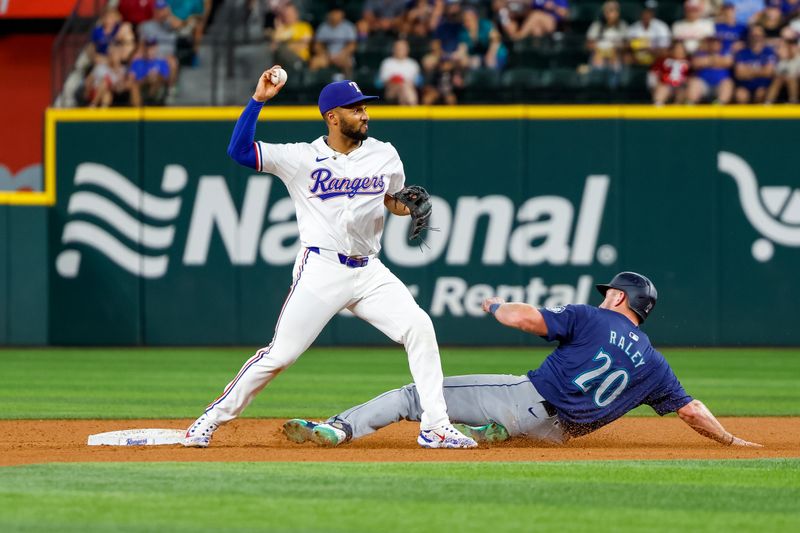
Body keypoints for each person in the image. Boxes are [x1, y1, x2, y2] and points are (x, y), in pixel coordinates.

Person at [183, 67, 478, 450]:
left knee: (419, 327)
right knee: (280, 355)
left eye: (365, 108)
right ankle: (210, 419)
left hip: (370, 271)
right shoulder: (301, 158)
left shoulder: (384, 153)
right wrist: (258, 101)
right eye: (356, 109)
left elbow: (393, 200)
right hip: (322, 269)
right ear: (333, 117)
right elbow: (239, 152)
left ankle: (435, 426)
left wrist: (408, 206)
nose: (365, 114)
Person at [282, 272, 762, 449]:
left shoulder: (592, 316)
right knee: (513, 425)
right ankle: (488, 436)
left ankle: (338, 429)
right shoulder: (656, 365)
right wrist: (731, 439)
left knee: (414, 396)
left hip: (526, 399)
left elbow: (527, 319)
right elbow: (691, 411)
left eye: (609, 292)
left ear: (619, 297)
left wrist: (493, 306)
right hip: (556, 436)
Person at [734, 24, 778, 102]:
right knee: (741, 95)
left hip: (763, 85)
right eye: (753, 35)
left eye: (758, 35)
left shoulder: (769, 52)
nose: (756, 38)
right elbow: (739, 73)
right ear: (749, 36)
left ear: (763, 36)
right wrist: (760, 70)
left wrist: (748, 70)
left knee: (760, 93)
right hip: (745, 85)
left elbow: (768, 72)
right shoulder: (742, 52)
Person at [309, 8, 358, 76]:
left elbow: (352, 45)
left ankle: (348, 85)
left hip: (343, 56)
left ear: (342, 14)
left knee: (348, 62)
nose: (335, 15)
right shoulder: (323, 27)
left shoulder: (348, 26)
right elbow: (317, 46)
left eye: (337, 12)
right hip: (327, 56)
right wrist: (326, 54)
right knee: (315, 61)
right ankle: (313, 85)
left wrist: (342, 54)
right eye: (333, 12)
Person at [687, 35, 735, 103]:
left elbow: (729, 62)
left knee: (728, 83)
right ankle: (690, 107)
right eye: (712, 43)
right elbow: (695, 63)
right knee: (694, 82)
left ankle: (719, 106)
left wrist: (707, 62)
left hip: (720, 85)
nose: (715, 45)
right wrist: (716, 61)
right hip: (704, 84)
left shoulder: (725, 52)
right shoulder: (702, 52)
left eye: (717, 43)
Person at [586, 1, 629, 73]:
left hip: (616, 55)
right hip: (599, 55)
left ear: (617, 13)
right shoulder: (597, 25)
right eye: (606, 11)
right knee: (596, 60)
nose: (608, 14)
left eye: (611, 11)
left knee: (622, 60)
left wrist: (615, 49)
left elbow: (627, 45)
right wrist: (600, 50)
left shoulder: (623, 26)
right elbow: (588, 45)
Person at [626, 1, 672, 66]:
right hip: (636, 61)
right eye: (646, 11)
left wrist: (648, 49)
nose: (647, 14)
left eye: (650, 11)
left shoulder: (662, 27)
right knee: (627, 57)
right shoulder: (633, 28)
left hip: (656, 61)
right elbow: (628, 47)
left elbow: (665, 50)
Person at [378, 39, 421, 105]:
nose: (400, 50)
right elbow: (383, 82)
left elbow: (416, 82)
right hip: (391, 91)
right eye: (398, 48)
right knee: (403, 87)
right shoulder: (387, 62)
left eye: (403, 48)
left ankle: (405, 109)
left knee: (404, 89)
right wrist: (397, 81)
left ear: (407, 49)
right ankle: (413, 109)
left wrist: (404, 83)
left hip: (409, 89)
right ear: (393, 49)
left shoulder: (413, 64)